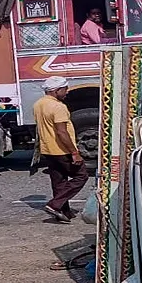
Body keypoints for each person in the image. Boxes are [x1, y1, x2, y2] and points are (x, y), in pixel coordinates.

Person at [33, 76, 88, 223]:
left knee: (59, 182)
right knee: (81, 176)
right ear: (56, 90)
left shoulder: (38, 104)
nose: (67, 92)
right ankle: (54, 204)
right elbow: (61, 132)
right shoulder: (58, 107)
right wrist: (74, 152)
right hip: (62, 150)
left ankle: (64, 212)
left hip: (47, 149)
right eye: (65, 89)